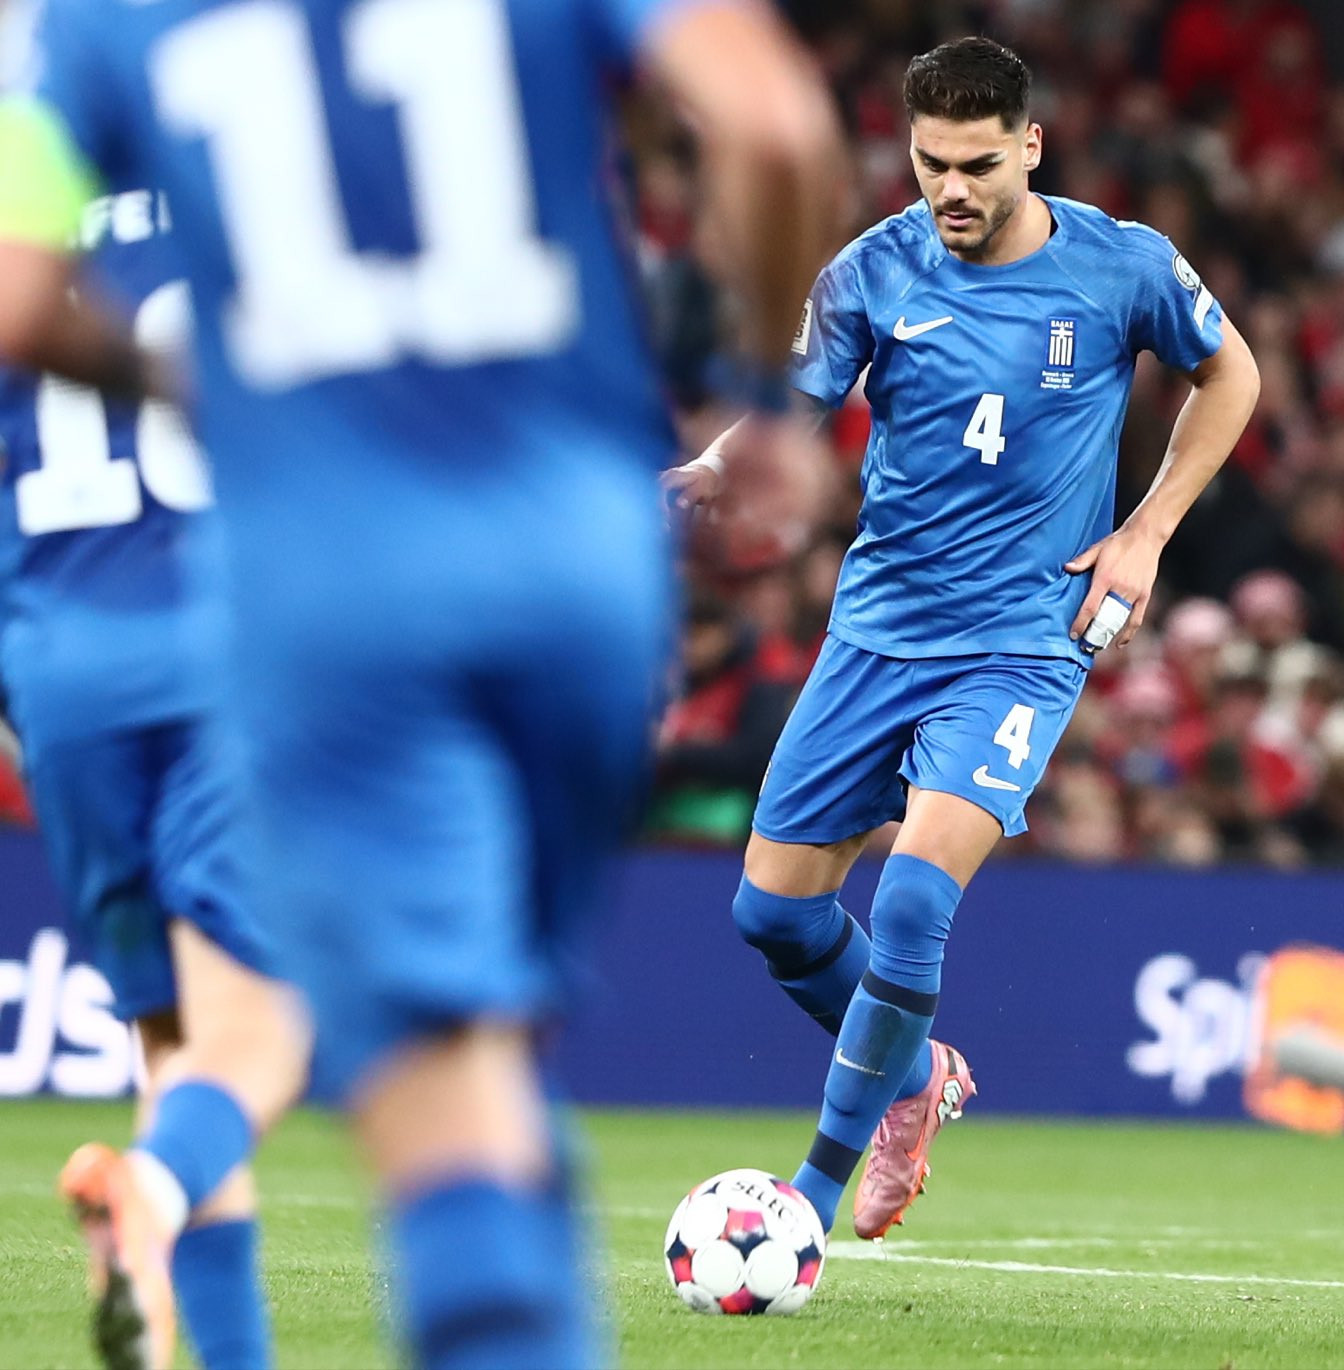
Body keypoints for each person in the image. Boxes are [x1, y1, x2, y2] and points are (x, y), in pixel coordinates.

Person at [0, 0, 840, 1365]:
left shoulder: (101, 30)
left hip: (319, 595)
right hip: (578, 559)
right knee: (488, 1041)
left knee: (433, 1076)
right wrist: (757, 396)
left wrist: (200, 384)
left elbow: (20, 296)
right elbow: (772, 124)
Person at [674, 36, 1261, 1241]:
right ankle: (913, 1073)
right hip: (877, 630)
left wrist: (1144, 531)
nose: (951, 187)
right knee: (773, 914)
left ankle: (808, 1202)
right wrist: (716, 467)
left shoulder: (1120, 264)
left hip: (1020, 638)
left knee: (907, 902)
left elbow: (1231, 375)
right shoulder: (871, 270)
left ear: (1029, 146)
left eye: (978, 164)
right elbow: (786, 406)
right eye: (931, 162)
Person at [0, 168, 310, 1368]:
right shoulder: (256, 199)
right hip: (226, 664)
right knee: (262, 1033)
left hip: (62, 680)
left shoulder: (21, 242)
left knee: (176, 1048)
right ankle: (153, 1183)